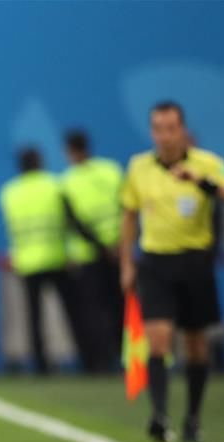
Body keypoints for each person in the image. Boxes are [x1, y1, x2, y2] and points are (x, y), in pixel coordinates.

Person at [120, 101, 224, 442]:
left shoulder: (208, 163)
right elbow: (129, 214)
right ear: (152, 131)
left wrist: (203, 182)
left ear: (182, 130)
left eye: (171, 128)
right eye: (158, 128)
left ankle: (192, 418)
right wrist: (127, 263)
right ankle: (159, 416)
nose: (165, 135)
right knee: (157, 339)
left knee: (195, 345)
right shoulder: (138, 167)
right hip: (156, 261)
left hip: (195, 262)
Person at [0, 147, 87, 375]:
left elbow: (13, 228)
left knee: (34, 317)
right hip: (57, 257)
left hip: (27, 261)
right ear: (39, 162)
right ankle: (87, 359)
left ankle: (41, 365)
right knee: (73, 312)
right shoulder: (54, 185)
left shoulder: (10, 192)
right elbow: (70, 222)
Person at [61, 130, 124, 372]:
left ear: (69, 151)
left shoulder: (67, 181)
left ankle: (101, 361)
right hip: (117, 251)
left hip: (88, 256)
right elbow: (127, 207)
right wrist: (118, 244)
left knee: (95, 311)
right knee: (117, 306)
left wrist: (99, 247)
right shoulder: (112, 170)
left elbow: (73, 220)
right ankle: (122, 356)